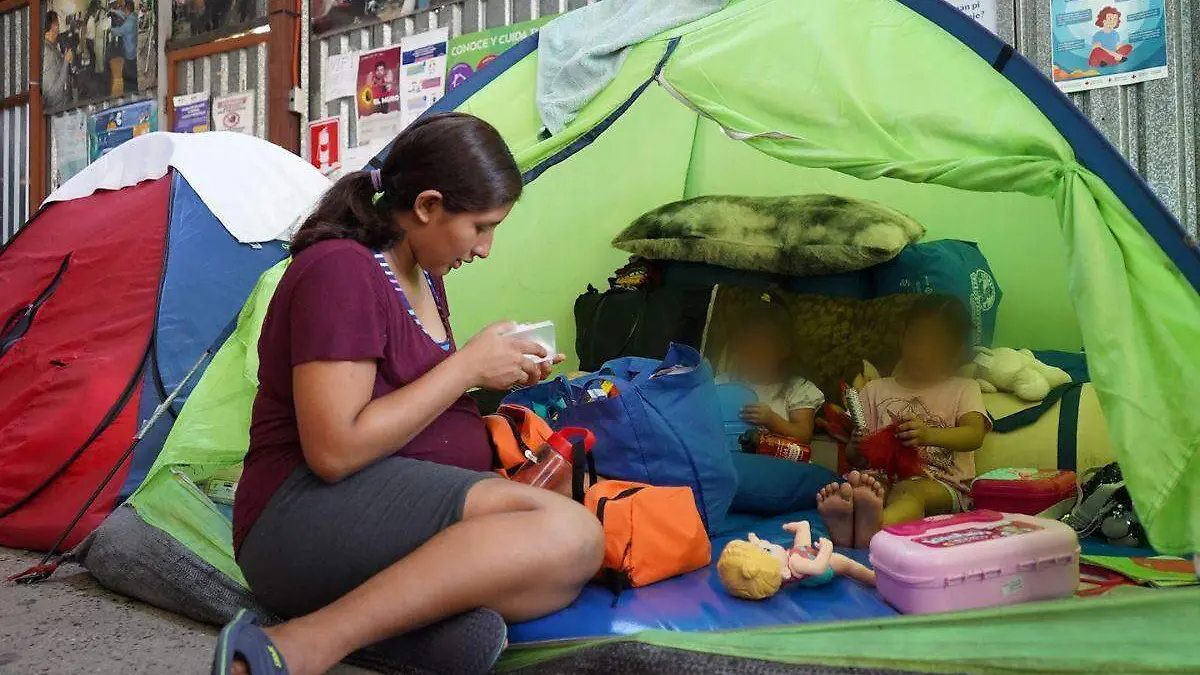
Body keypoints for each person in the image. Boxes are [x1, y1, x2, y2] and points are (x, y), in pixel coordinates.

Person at [212, 113, 605, 675]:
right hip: (297, 516)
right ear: (427, 206)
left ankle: (404, 637)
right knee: (570, 538)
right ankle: (302, 644)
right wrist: (468, 365)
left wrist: (496, 375)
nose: (488, 248)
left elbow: (416, 399)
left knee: (564, 553)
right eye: (481, 227)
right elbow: (334, 450)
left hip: (387, 503)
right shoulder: (340, 272)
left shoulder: (422, 273)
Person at [816, 295, 990, 549]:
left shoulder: (964, 388)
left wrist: (929, 435)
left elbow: (974, 435)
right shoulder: (874, 390)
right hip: (880, 478)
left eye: (937, 344)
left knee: (909, 491)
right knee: (858, 486)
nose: (923, 351)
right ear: (902, 337)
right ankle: (850, 523)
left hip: (939, 485)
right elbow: (856, 457)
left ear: (955, 351)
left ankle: (875, 528)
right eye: (917, 339)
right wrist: (858, 446)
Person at [719, 291, 823, 445]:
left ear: (783, 350)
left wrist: (772, 420)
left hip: (779, 464)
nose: (752, 358)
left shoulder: (797, 390)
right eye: (746, 350)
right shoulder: (725, 382)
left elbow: (803, 435)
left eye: (760, 352)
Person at [42, 11, 74, 110]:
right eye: (58, 24)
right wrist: (65, 62)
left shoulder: (53, 47)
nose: (59, 28)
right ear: (53, 26)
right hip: (58, 112)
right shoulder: (47, 53)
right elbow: (52, 95)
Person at [105, 0, 138, 95]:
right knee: (130, 71)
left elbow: (118, 31)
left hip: (129, 53)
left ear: (127, 9)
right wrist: (114, 11)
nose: (123, 11)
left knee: (128, 74)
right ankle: (132, 90)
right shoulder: (133, 16)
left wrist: (108, 28)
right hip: (133, 50)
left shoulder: (128, 24)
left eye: (124, 9)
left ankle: (130, 93)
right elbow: (124, 15)